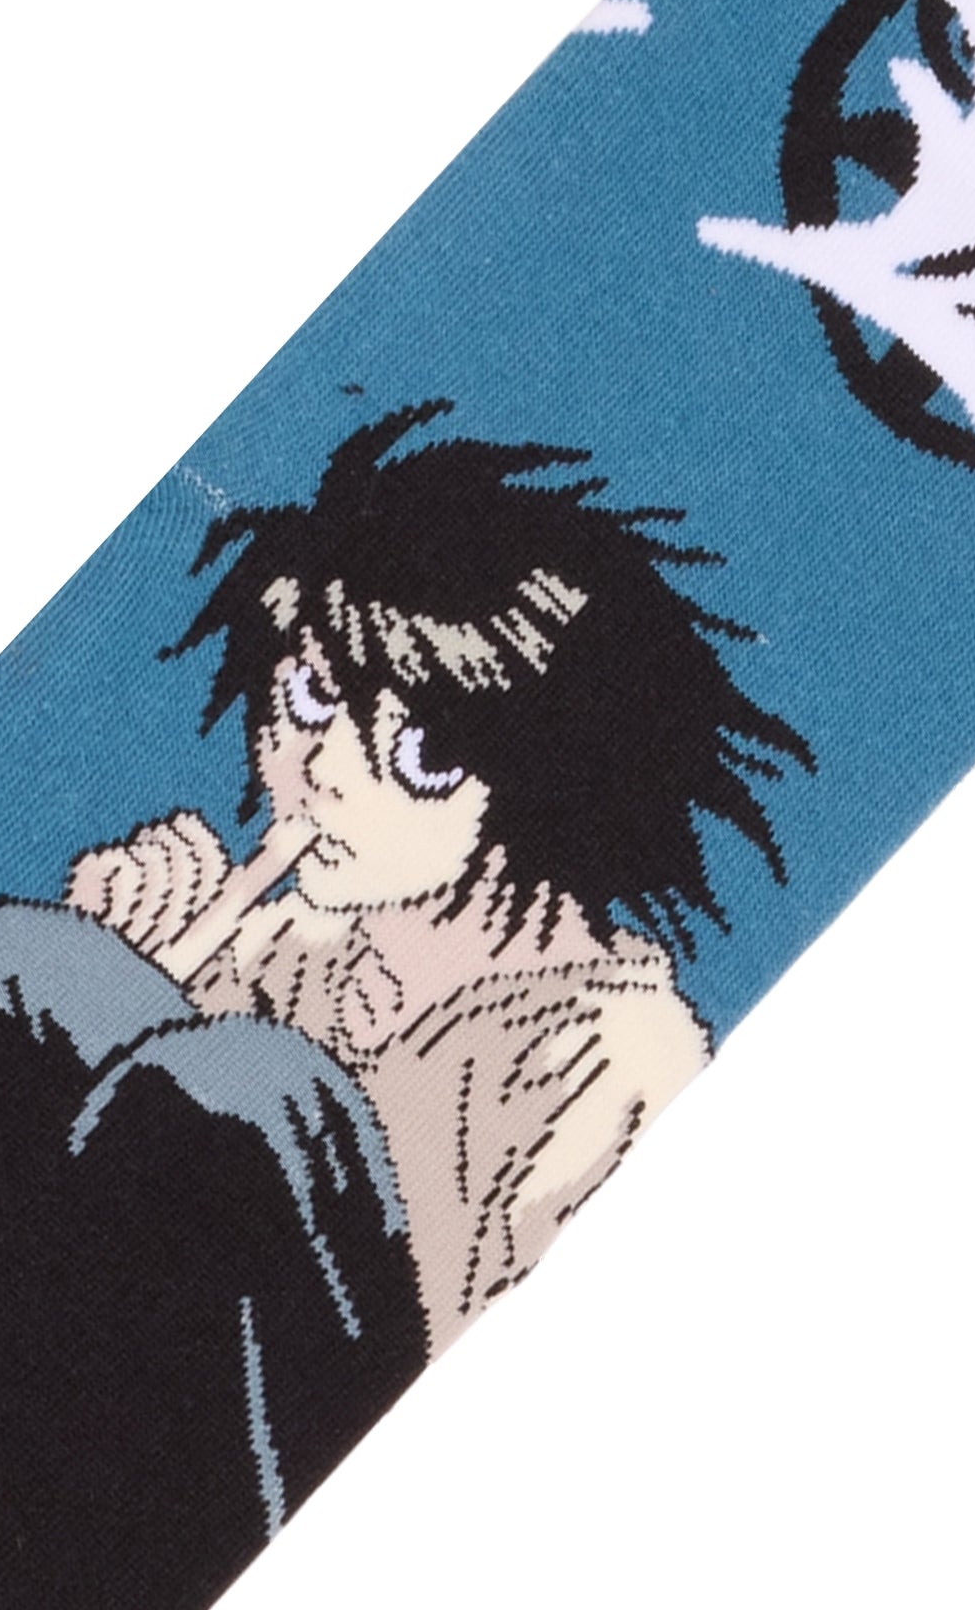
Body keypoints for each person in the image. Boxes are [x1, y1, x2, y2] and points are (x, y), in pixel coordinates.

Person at [67, 398, 813, 1351]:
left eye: (422, 754)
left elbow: (398, 1346)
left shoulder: (610, 1061)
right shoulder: (288, 950)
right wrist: (107, 979)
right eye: (310, 694)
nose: (318, 769)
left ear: (546, 784)